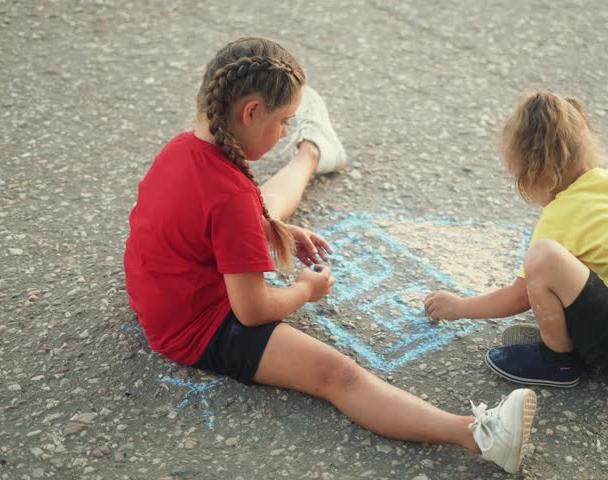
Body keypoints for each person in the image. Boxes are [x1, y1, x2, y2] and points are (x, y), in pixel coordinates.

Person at [123, 37, 537, 474]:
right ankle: (480, 435)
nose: (282, 130)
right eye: (284, 122)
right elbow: (252, 310)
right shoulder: (231, 198)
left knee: (266, 206)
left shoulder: (182, 147)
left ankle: (313, 152)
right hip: (196, 327)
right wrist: (306, 289)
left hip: (159, 289)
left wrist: (269, 227)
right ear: (250, 112)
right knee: (338, 375)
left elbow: (207, 214)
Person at [424, 91, 608, 388]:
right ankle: (575, 340)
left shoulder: (564, 212)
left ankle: (558, 362)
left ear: (540, 172)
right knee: (576, 262)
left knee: (544, 258)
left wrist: (459, 307)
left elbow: (520, 296)